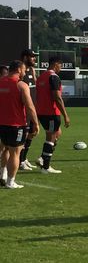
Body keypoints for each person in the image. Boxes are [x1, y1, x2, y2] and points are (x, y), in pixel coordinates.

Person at [0, 60, 39, 189]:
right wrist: (35, 122)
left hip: (2, 124)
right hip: (16, 125)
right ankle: (11, 182)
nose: (24, 72)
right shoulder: (21, 85)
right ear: (18, 70)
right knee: (15, 153)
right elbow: (29, 106)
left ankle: (3, 174)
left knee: (5, 149)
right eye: (23, 70)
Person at [35, 56, 70, 174]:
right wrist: (65, 115)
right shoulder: (53, 77)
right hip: (50, 112)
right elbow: (56, 97)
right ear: (55, 64)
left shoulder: (40, 78)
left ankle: (42, 158)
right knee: (50, 138)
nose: (61, 68)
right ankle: (46, 167)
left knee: (57, 133)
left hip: (41, 112)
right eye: (60, 65)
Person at [19, 49, 39, 171]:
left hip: (32, 107)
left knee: (32, 133)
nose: (34, 59)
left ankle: (24, 158)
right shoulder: (20, 71)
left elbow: (35, 86)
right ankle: (20, 160)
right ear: (25, 57)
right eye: (32, 57)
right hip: (24, 109)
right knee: (24, 134)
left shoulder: (32, 70)